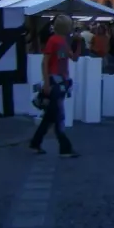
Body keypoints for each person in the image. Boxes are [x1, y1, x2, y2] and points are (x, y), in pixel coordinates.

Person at [29, 14, 78, 158]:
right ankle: (65, 148)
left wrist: (77, 43)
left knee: (51, 116)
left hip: (59, 82)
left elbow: (71, 58)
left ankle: (36, 143)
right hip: (56, 82)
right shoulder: (55, 41)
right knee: (58, 115)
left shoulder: (61, 41)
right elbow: (45, 62)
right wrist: (47, 83)